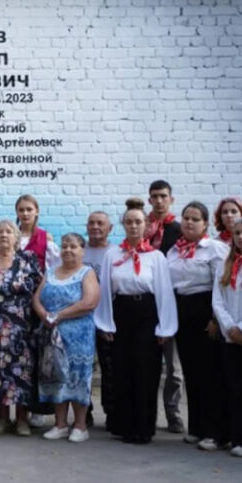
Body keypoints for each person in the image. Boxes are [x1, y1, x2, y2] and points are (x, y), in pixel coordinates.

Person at [95, 198, 177, 444]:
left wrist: (165, 327)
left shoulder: (156, 257)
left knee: (146, 370)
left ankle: (143, 427)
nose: (133, 226)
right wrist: (106, 323)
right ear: (123, 225)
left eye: (138, 222)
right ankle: (123, 426)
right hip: (122, 312)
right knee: (122, 368)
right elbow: (106, 290)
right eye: (129, 222)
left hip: (146, 314)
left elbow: (164, 292)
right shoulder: (113, 254)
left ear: (146, 225)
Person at [167, 201, 230, 451]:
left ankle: (216, 432)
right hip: (182, 313)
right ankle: (198, 427)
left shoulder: (215, 249)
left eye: (195, 219)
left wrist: (216, 318)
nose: (189, 223)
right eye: (186, 218)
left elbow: (222, 285)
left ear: (205, 223)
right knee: (191, 372)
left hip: (206, 311)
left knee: (211, 374)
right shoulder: (175, 251)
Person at [34, 233, 100, 443]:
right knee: (56, 377)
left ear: (82, 250)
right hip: (52, 335)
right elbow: (36, 297)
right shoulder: (51, 272)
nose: (68, 250)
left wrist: (59, 315)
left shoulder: (86, 273)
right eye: (64, 246)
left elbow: (89, 302)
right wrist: (43, 314)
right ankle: (60, 424)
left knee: (78, 377)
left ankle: (80, 425)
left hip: (79, 335)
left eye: (73, 246)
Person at [0, 220, 41, 436]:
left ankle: (22, 419)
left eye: (9, 231)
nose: (4, 235)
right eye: (0, 232)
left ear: (16, 236)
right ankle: (2, 418)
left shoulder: (27, 260)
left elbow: (38, 289)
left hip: (21, 328)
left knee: (21, 373)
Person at [212, 217, 242, 460]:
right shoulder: (225, 264)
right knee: (236, 388)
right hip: (231, 336)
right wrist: (230, 327)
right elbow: (217, 300)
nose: (240, 237)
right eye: (237, 233)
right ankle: (239, 439)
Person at [146, 179, 184, 434]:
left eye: (163, 196)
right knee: (147, 364)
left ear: (171, 199)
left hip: (173, 303)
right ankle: (147, 414)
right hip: (146, 306)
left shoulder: (180, 230)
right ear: (149, 200)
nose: (159, 200)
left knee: (174, 367)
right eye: (155, 196)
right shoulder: (142, 226)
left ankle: (173, 414)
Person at [83, 210, 115, 428]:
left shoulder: (116, 253)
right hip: (82, 319)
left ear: (110, 228)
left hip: (107, 319)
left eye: (100, 223)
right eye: (92, 223)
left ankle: (112, 411)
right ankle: (84, 412)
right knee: (83, 368)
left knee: (109, 369)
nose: (95, 227)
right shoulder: (79, 251)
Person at [15, 194, 59, 272]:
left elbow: (54, 269)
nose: (25, 213)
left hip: (38, 283)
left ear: (37, 211)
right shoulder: (10, 236)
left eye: (29, 209)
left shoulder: (45, 238)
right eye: (21, 210)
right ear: (17, 213)